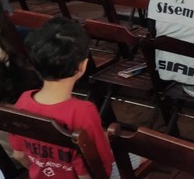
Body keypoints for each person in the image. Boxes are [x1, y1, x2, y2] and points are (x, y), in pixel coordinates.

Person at [8, 17, 114, 178]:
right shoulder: (82, 112)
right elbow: (94, 172)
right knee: (140, 157)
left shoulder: (23, 100)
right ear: (82, 66)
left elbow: (19, 155)